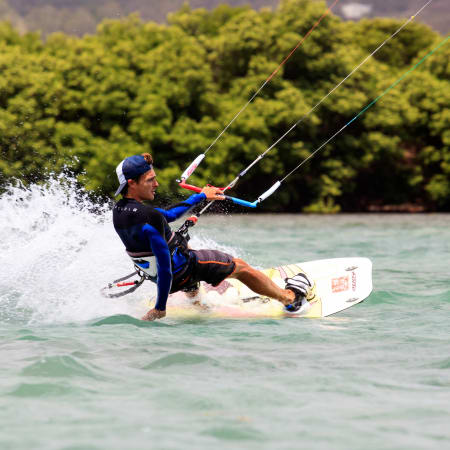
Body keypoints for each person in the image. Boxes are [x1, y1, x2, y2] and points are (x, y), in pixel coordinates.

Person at [113, 153, 312, 321]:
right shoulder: (150, 219)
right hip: (181, 271)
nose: (156, 184)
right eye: (150, 180)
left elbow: (169, 216)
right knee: (241, 267)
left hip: (156, 277)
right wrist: (160, 308)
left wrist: (201, 196)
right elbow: (166, 267)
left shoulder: (120, 211)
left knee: (183, 250)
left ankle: (199, 305)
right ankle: (290, 299)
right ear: (132, 183)